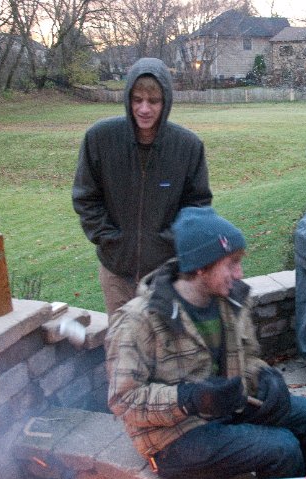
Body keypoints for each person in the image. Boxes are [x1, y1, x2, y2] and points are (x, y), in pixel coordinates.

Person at [105, 206, 306, 479]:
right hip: (170, 437)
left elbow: (248, 358)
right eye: (232, 263)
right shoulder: (139, 320)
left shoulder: (230, 300)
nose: (240, 273)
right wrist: (188, 398)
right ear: (200, 267)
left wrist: (265, 378)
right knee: (282, 447)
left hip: (225, 407)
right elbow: (123, 400)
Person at [73, 57, 212, 317]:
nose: (144, 109)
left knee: (163, 346)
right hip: (116, 271)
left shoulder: (188, 146)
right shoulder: (100, 139)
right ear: (128, 100)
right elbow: (86, 198)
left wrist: (169, 242)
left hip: (166, 274)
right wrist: (111, 239)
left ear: (166, 102)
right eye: (137, 100)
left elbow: (198, 206)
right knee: (122, 346)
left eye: (153, 101)